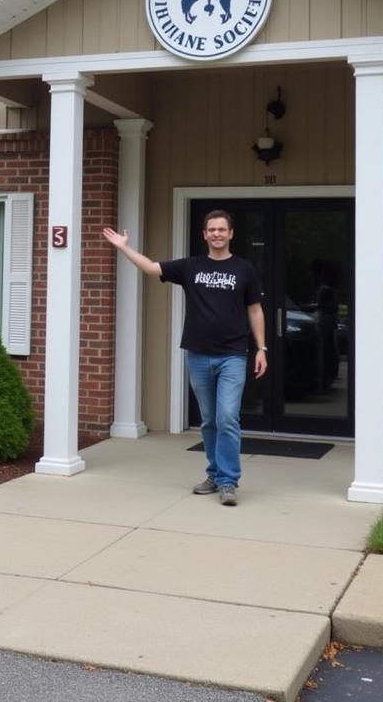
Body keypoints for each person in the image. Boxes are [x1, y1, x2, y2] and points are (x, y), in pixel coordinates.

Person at [102, 210, 267, 506]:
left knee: (227, 417)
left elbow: (255, 310)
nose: (216, 234)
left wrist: (262, 349)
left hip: (233, 355)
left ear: (231, 234)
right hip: (199, 355)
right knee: (209, 421)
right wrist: (123, 247)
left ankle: (229, 482)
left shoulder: (244, 269)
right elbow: (152, 268)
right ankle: (214, 475)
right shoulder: (191, 266)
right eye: (211, 230)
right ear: (204, 235)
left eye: (221, 229)